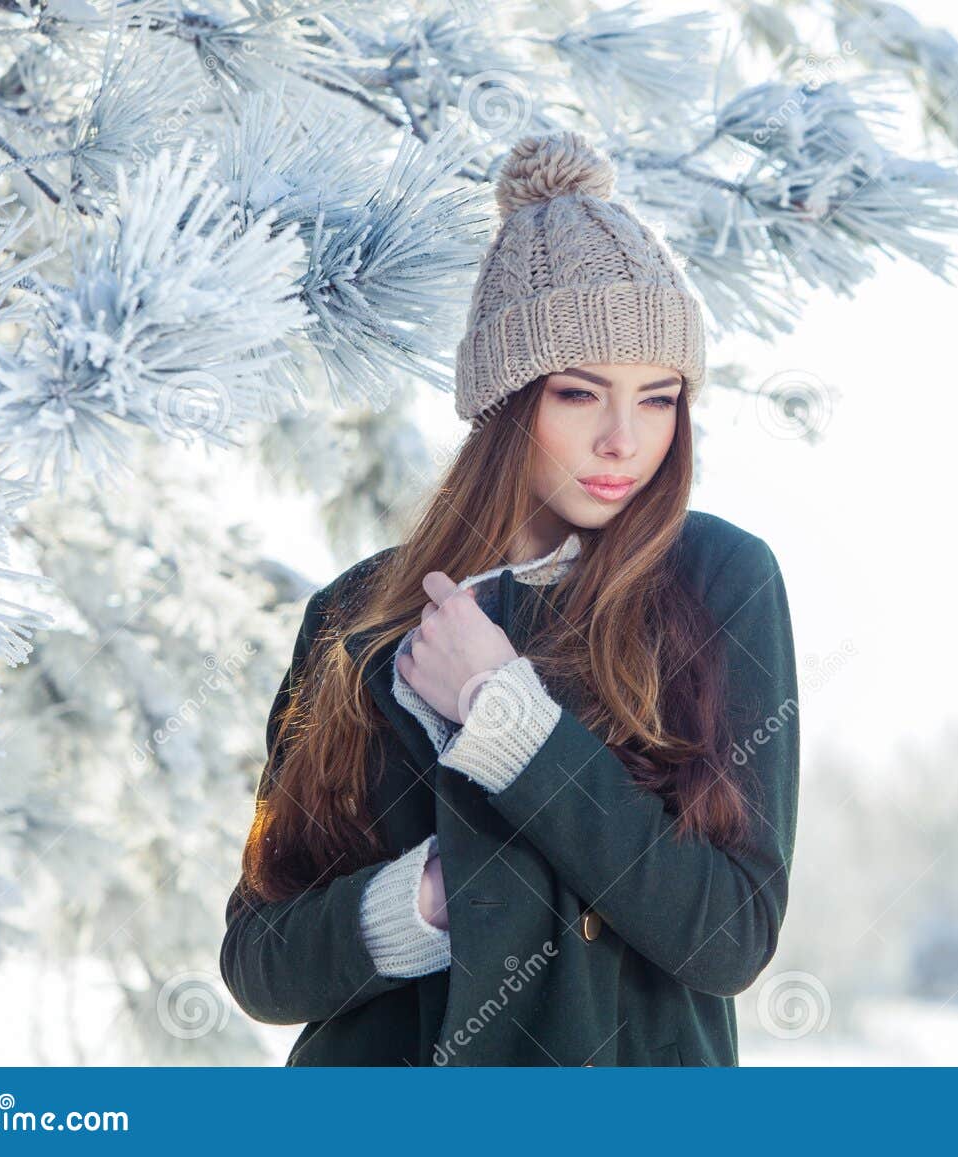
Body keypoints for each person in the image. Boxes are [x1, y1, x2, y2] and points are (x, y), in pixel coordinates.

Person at [220, 130, 801, 1066]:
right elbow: (258, 960)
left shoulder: (718, 580)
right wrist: (428, 900)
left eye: (659, 398)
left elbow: (726, 934)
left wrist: (506, 716)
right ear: (507, 399)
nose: (625, 439)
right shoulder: (352, 615)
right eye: (581, 393)